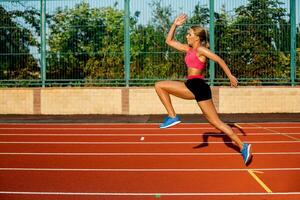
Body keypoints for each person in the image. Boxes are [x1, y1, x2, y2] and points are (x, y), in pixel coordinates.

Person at [154, 14, 252, 165]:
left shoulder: (201, 50)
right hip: (191, 85)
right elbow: (169, 41)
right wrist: (175, 24)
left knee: (216, 123)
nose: (187, 36)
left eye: (189, 34)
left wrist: (230, 76)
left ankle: (242, 146)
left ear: (197, 38)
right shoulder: (188, 49)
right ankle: (172, 116)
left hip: (198, 87)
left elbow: (219, 60)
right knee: (159, 85)